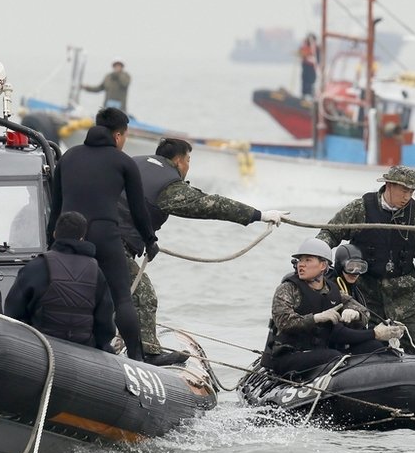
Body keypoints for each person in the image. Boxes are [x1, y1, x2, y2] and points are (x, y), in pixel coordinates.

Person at [116, 137, 289, 365]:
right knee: (144, 295)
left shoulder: (132, 162)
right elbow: (209, 204)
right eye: (188, 160)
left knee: (114, 293)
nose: (188, 166)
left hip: (89, 230)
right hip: (114, 243)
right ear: (178, 161)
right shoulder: (168, 185)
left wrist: (148, 240)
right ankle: (148, 353)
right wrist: (260, 215)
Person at [47, 107, 156, 361]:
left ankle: (57, 350)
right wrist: (150, 241)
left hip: (68, 237)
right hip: (105, 235)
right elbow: (139, 211)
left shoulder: (68, 157)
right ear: (118, 135)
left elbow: (55, 207)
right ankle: (138, 359)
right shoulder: (124, 162)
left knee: (65, 294)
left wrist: (52, 243)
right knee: (121, 298)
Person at [316, 165, 415, 354]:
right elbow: (330, 233)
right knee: (372, 350)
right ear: (389, 185)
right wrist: (318, 259)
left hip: (405, 298)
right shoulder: (360, 209)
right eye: (404, 190)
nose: (408, 196)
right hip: (366, 295)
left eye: (411, 191)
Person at [261, 238, 405, 378]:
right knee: (334, 357)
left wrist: (355, 314)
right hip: (289, 355)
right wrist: (317, 317)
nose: (301, 265)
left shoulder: (333, 291)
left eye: (308, 260)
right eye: (300, 260)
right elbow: (284, 322)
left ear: (323, 265)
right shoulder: (287, 289)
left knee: (374, 346)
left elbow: (364, 312)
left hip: (319, 352)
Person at [5, 212, 117, 352]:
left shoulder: (36, 266)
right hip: (84, 353)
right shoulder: (96, 272)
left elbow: (12, 312)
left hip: (41, 351)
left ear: (55, 234)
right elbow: (105, 324)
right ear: (82, 238)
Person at [298, 33, 319, 98]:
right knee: (305, 84)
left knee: (311, 84)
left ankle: (312, 96)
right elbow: (301, 55)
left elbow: (318, 60)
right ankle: (304, 96)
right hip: (306, 68)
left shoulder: (317, 49)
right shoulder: (304, 47)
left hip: (312, 69)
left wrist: (313, 60)